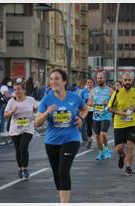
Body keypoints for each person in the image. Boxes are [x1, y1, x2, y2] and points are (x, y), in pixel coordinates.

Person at [35, 69, 88, 203]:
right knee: (57, 173)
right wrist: (47, 112)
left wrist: (81, 118)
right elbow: (37, 123)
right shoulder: (47, 99)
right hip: (51, 141)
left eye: (56, 78)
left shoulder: (74, 97)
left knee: (63, 171)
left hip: (71, 139)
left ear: (64, 81)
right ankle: (62, 199)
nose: (53, 81)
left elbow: (85, 108)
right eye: (51, 78)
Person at [107, 72, 135, 176]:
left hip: (132, 124)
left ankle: (128, 167)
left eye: (129, 80)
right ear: (122, 81)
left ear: (132, 81)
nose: (127, 82)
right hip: (119, 124)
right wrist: (121, 113)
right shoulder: (117, 93)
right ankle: (121, 155)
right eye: (125, 80)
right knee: (118, 148)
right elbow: (109, 108)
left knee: (130, 146)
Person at [4, 82, 38, 179]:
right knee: (18, 150)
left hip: (28, 128)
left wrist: (36, 111)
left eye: (19, 89)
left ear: (24, 90)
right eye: (15, 89)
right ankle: (20, 168)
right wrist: (12, 111)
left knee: (23, 148)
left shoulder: (30, 100)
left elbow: (37, 109)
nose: (17, 91)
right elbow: (5, 115)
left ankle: (25, 169)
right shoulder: (11, 102)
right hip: (15, 129)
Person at [88, 72, 113, 160]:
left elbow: (114, 103)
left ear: (105, 79)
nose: (99, 79)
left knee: (103, 134)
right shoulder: (93, 90)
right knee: (97, 136)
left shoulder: (110, 90)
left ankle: (106, 149)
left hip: (105, 115)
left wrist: (108, 103)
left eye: (101, 78)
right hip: (96, 116)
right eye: (98, 78)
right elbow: (89, 102)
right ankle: (100, 152)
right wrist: (92, 103)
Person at [81, 78, 94, 149]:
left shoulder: (96, 90)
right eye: (88, 83)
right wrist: (86, 101)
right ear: (86, 84)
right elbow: (81, 100)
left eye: (90, 82)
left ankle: (99, 139)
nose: (89, 84)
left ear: (93, 83)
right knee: (88, 126)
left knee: (95, 126)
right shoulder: (83, 91)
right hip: (87, 111)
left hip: (96, 111)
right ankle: (89, 141)